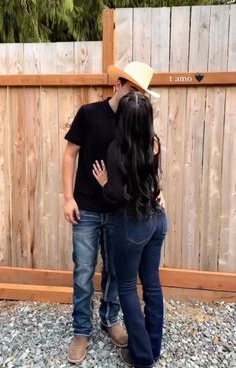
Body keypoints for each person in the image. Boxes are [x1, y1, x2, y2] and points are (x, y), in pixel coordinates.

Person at [62, 62, 159, 364]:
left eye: (141, 95)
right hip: (87, 209)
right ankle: (81, 330)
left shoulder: (136, 121)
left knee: (117, 273)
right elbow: (69, 155)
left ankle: (110, 319)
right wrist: (68, 198)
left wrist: (158, 192)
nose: (136, 99)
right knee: (83, 272)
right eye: (132, 91)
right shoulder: (88, 114)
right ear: (117, 86)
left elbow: (147, 164)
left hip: (122, 213)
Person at [93, 91, 168, 368]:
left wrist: (103, 182)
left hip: (133, 223)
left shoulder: (116, 149)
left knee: (126, 286)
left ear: (123, 120)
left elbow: (114, 196)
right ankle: (154, 348)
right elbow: (149, 185)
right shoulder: (154, 143)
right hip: (158, 219)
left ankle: (141, 356)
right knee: (152, 284)